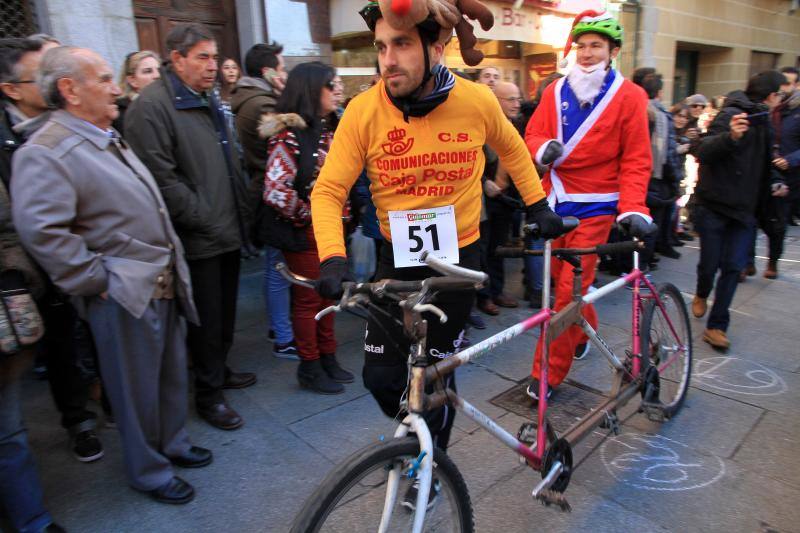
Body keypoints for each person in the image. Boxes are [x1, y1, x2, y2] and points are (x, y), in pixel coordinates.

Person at [309, 1, 562, 471]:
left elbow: (513, 147)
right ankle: (416, 429)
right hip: (396, 255)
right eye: (382, 46)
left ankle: (431, 461)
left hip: (457, 259)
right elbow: (328, 191)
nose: (387, 59)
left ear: (437, 48)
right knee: (381, 377)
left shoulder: (477, 100)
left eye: (401, 44)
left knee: (437, 374)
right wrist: (332, 258)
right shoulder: (364, 111)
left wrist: (538, 204)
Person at [12, 45, 211, 504]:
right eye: (104, 78)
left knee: (168, 376)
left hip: (158, 282)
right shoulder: (45, 150)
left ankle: (173, 446)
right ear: (70, 89)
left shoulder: (103, 132)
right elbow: (42, 231)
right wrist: (95, 280)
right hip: (121, 291)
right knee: (135, 390)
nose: (116, 88)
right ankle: (150, 472)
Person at [125, 23, 255, 431]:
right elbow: (161, 179)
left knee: (223, 314)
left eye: (215, 57)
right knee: (204, 321)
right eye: (203, 57)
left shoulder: (205, 96)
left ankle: (219, 371)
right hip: (198, 235)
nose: (212, 65)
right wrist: (204, 216)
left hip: (225, 225)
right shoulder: (152, 105)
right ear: (177, 59)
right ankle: (208, 394)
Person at [524, 10, 653, 398]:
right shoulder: (554, 91)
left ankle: (547, 372)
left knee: (566, 293)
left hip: (597, 206)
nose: (586, 52)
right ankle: (580, 329)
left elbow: (636, 159)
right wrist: (542, 148)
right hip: (555, 200)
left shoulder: (631, 96)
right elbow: (533, 133)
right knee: (569, 286)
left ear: (613, 51)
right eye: (581, 45)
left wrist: (634, 206)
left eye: (596, 45)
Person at [0, 37, 107, 463]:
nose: (50, 80)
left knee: (70, 344)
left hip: (69, 266)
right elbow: (31, 223)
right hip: (24, 272)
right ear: (11, 88)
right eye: (38, 73)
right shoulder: (23, 143)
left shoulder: (60, 127)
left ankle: (80, 417)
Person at [0, 41, 64, 532]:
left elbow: (17, 226)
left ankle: (31, 518)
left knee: (9, 428)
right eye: (34, 75)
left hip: (28, 288)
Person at [260, 62, 354, 394]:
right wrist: (312, 215)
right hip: (306, 231)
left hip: (329, 230)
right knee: (308, 300)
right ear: (313, 90)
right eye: (332, 84)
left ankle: (328, 357)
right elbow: (274, 190)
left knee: (328, 296)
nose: (339, 88)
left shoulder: (326, 129)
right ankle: (310, 366)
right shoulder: (288, 135)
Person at [690, 70, 787, 350]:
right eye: (779, 93)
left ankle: (717, 325)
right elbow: (702, 151)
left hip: (745, 211)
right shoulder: (729, 115)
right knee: (709, 265)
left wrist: (777, 182)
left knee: (733, 267)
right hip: (714, 206)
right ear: (770, 95)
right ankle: (701, 292)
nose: (779, 98)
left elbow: (766, 162)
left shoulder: (766, 123)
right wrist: (730, 137)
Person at [230, 41, 299, 359]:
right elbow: (291, 134)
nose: (284, 73)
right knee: (277, 267)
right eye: (281, 68)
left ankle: (280, 326)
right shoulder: (262, 104)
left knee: (278, 266)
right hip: (269, 192)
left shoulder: (256, 98)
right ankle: (283, 335)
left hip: (264, 188)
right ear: (268, 71)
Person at [481, 81, 525, 310]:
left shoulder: (515, 127)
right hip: (484, 200)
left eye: (518, 99)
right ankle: (484, 295)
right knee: (484, 250)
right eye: (511, 99)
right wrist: (485, 182)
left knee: (498, 248)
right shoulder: (483, 127)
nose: (517, 104)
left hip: (506, 199)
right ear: (496, 101)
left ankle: (496, 291)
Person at [634, 68, 683, 263]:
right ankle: (642, 266)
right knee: (649, 223)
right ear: (659, 92)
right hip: (652, 177)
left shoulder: (631, 107)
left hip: (634, 175)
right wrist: (675, 179)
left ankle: (629, 265)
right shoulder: (659, 114)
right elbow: (667, 152)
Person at [112, 50, 161, 134]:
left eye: (159, 70)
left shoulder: (169, 103)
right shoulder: (122, 113)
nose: (157, 76)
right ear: (132, 80)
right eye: (148, 71)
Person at [778, 66, 800, 226]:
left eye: (788, 83)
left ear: (796, 85)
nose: (783, 87)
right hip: (768, 170)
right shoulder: (771, 107)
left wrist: (790, 160)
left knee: (779, 223)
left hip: (790, 174)